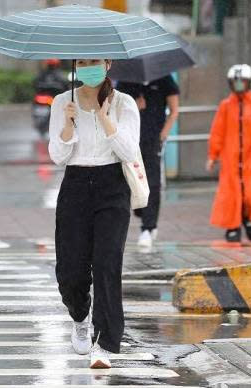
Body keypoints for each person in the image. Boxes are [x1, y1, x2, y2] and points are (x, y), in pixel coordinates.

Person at [48, 59, 140, 369]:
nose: (89, 68)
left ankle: (106, 344)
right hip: (75, 186)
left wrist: (106, 119)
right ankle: (79, 317)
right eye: (83, 62)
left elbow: (129, 152)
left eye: (95, 62)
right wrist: (67, 125)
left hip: (112, 186)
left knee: (107, 265)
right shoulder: (63, 102)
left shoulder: (124, 103)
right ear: (76, 65)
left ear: (107, 64)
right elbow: (57, 156)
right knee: (70, 272)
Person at [205, 64, 251, 242]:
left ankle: (250, 221)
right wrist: (213, 155)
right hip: (230, 161)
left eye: (242, 82)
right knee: (231, 195)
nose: (239, 86)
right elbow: (217, 132)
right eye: (235, 82)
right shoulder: (226, 106)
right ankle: (233, 226)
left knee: (250, 195)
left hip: (250, 161)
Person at [117, 75, 180, 248]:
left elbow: (174, 110)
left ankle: (148, 227)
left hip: (153, 139)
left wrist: (163, 134)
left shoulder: (164, 79)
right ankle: (141, 211)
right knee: (129, 181)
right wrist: (133, 107)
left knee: (152, 182)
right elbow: (115, 108)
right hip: (130, 139)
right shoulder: (126, 81)